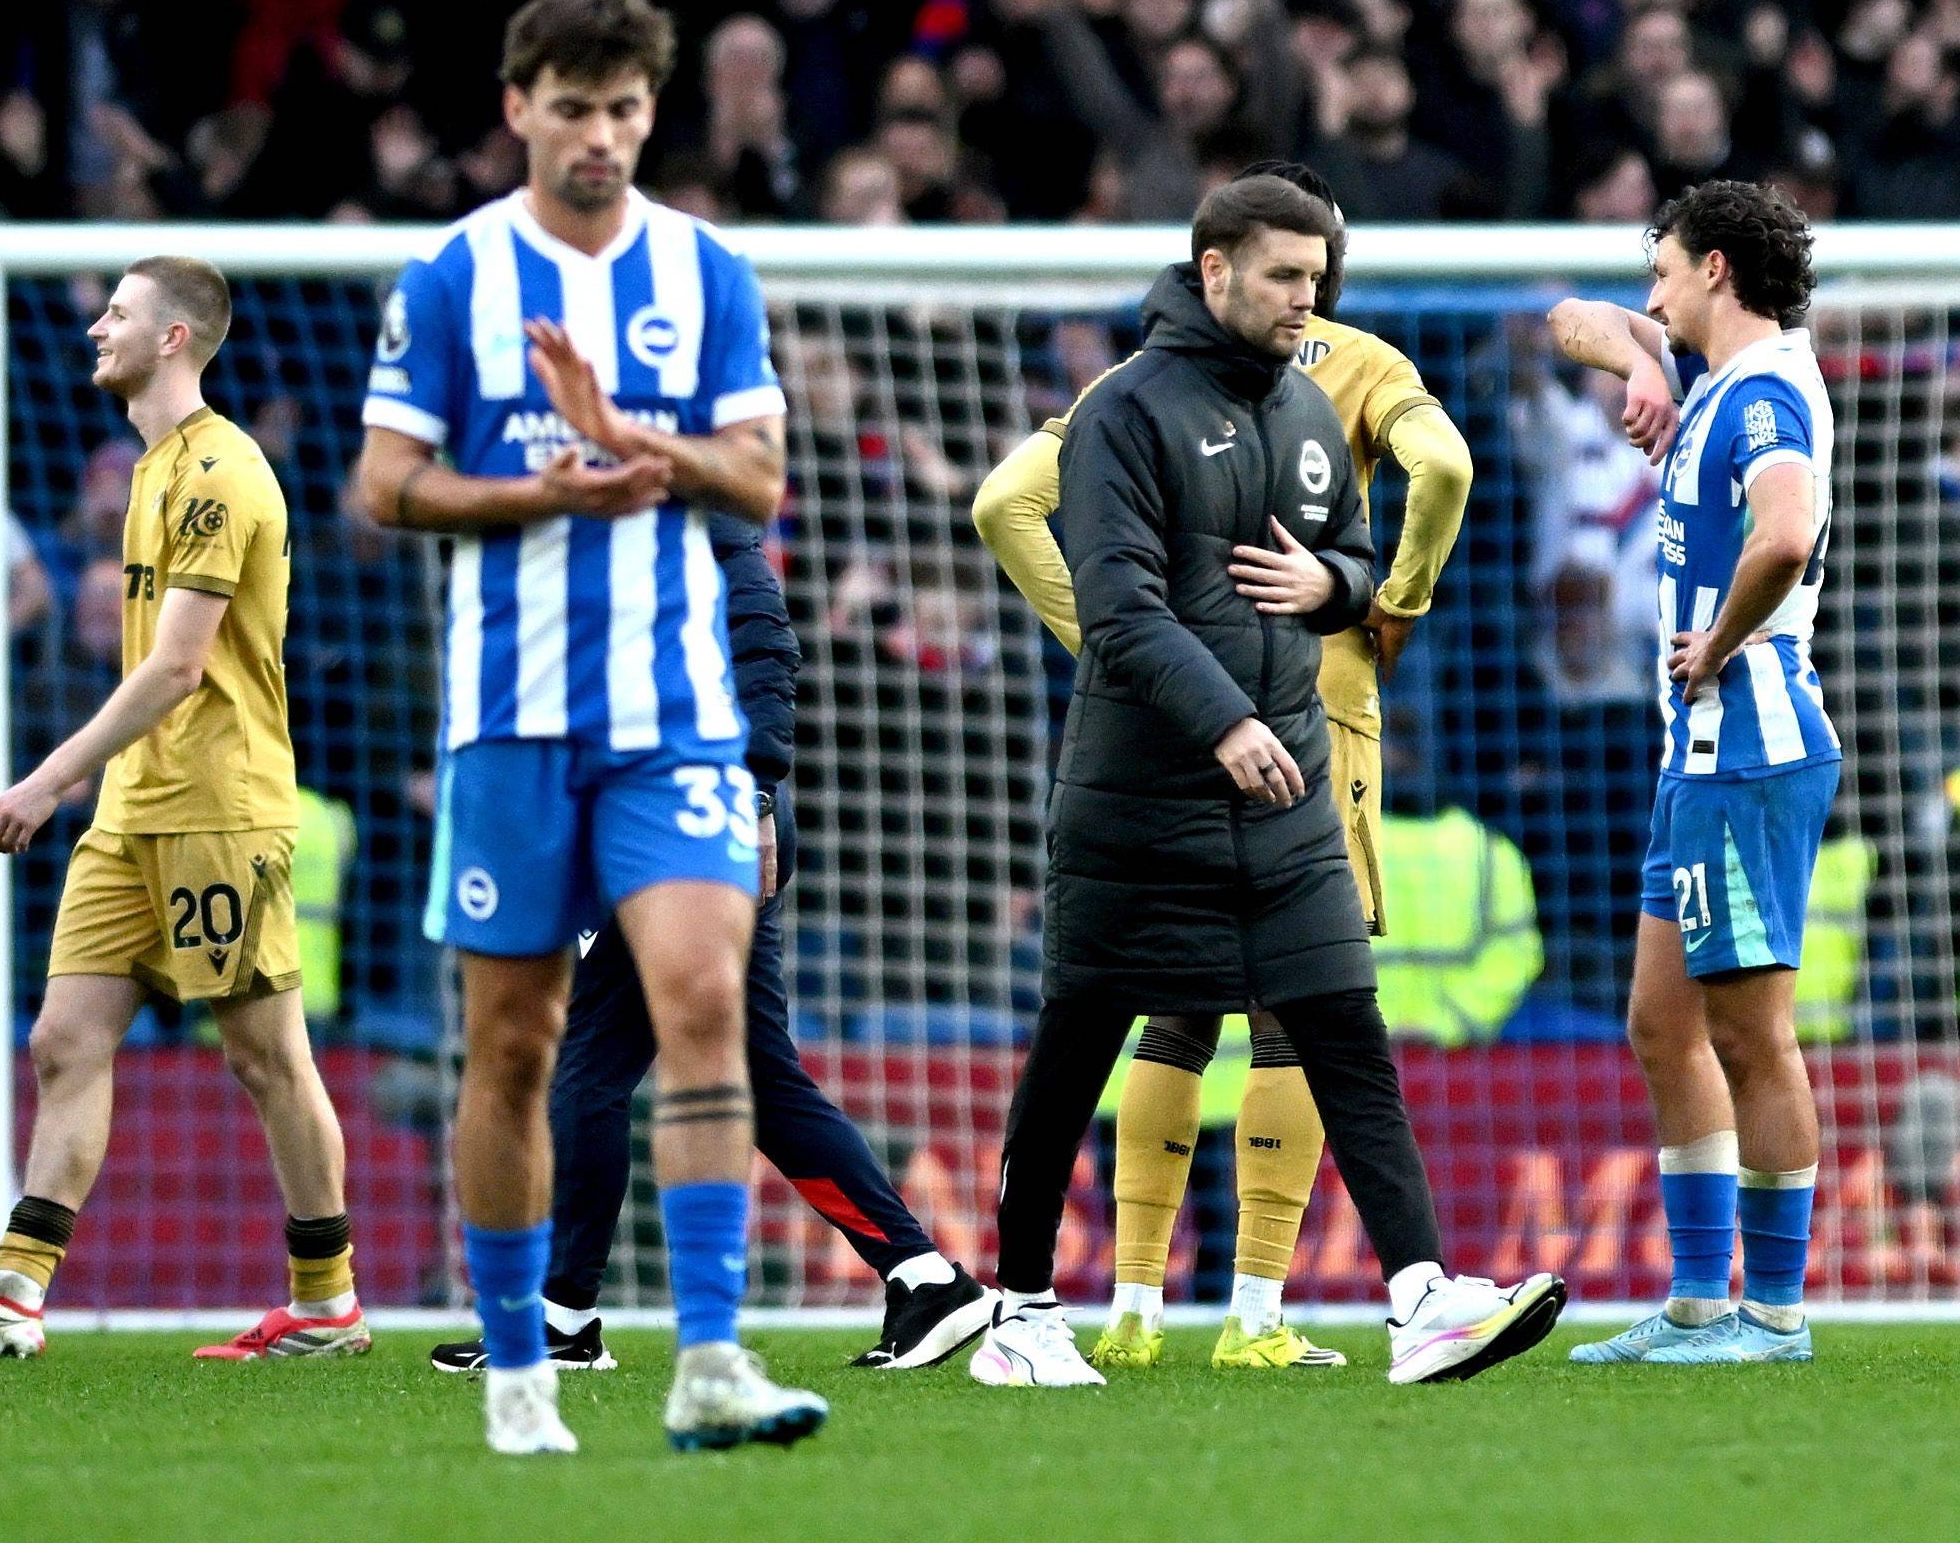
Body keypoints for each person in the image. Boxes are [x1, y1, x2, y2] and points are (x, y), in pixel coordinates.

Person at [965, 174, 1564, 1388]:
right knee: (1081, 1036)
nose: (1308, 299)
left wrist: (1344, 590)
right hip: (1141, 790)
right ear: (1212, 270)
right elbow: (1121, 606)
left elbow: (1344, 545)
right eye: (1285, 275)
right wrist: (1222, 717)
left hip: (1288, 777)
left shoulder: (1302, 405)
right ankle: (1020, 1310)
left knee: (1343, 1019)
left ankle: (1421, 1298)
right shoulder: (1123, 410)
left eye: (1318, 278)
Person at [351, 0, 822, 1454]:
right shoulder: (453, 275)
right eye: (573, 107)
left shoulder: (704, 267)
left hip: (676, 716)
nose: (602, 136)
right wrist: (547, 490)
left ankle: (711, 1359)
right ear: (519, 108)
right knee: (513, 1043)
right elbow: (384, 486)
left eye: (624, 110)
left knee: (699, 1004)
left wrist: (634, 438)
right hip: (509, 718)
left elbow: (759, 481)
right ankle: (515, 1370)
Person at [426, 509, 996, 1377]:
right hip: (685, 820)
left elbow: (763, 648)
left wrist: (754, 791)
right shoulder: (648, 527)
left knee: (589, 1061)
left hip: (689, 826)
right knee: (756, 1071)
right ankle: (924, 1277)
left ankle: (563, 1314)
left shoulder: (697, 531)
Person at [0, 255, 368, 1363]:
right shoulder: (150, 466)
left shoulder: (219, 474)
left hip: (218, 805)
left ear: (172, 338)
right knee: (66, 1041)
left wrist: (44, 777)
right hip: (131, 809)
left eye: (116, 313)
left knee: (263, 1055)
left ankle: (327, 1302)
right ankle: (16, 1296)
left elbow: (176, 671)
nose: (94, 329)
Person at [1549, 179, 1838, 1364]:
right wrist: (1641, 360)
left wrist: (1715, 640)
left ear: (1715, 268)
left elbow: (1783, 532)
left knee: (1749, 1032)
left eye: (1660, 271)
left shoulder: (1767, 394)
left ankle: (1770, 1316)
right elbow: (1571, 316)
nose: (1646, 292)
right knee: (1660, 1023)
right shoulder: (1712, 381)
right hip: (1699, 755)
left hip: (1750, 742)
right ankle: (1695, 1305)